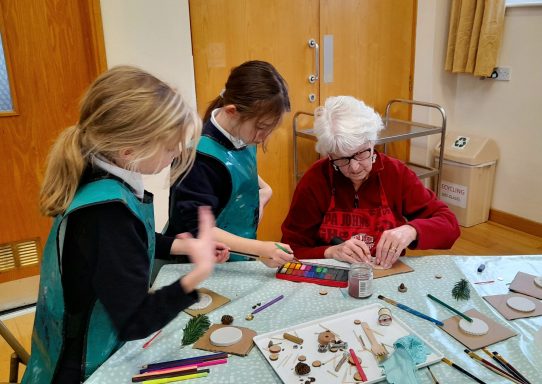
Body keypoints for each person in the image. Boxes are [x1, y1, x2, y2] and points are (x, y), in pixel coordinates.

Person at [22, 66, 228, 384]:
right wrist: (195, 276)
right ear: (129, 151)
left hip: (64, 345)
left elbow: (127, 246)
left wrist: (183, 245)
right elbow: (136, 320)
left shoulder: (96, 172)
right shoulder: (108, 216)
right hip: (84, 367)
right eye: (170, 146)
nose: (175, 155)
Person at [281, 96, 460, 268]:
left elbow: (450, 226)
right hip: (332, 275)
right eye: (342, 159)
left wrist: (411, 230)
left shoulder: (395, 173)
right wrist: (330, 252)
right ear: (329, 154)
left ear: (373, 141)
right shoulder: (315, 180)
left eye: (361, 153)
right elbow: (290, 249)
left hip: (387, 273)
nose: (355, 167)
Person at [166, 60, 294, 268]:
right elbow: (200, 229)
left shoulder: (243, 136)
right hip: (197, 264)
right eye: (261, 127)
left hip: (234, 257)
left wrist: (263, 193)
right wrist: (260, 249)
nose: (264, 137)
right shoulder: (199, 159)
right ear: (232, 111)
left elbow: (239, 176)